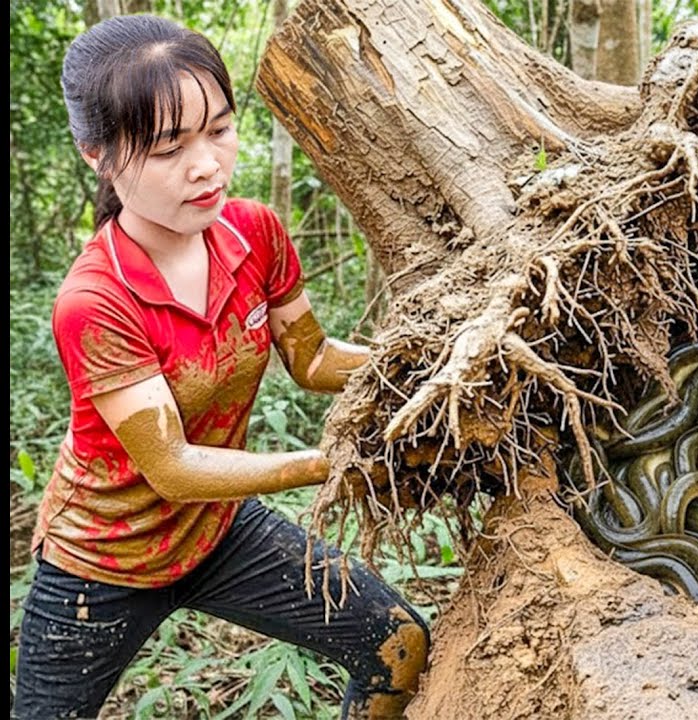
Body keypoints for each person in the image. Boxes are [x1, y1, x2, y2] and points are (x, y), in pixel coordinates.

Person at [13, 14, 429, 719]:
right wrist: (328, 460)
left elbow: (314, 356)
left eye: (219, 129)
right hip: (101, 565)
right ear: (99, 155)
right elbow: (171, 466)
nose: (205, 164)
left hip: (218, 529)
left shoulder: (255, 232)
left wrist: (425, 365)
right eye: (170, 146)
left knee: (398, 643)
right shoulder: (95, 299)